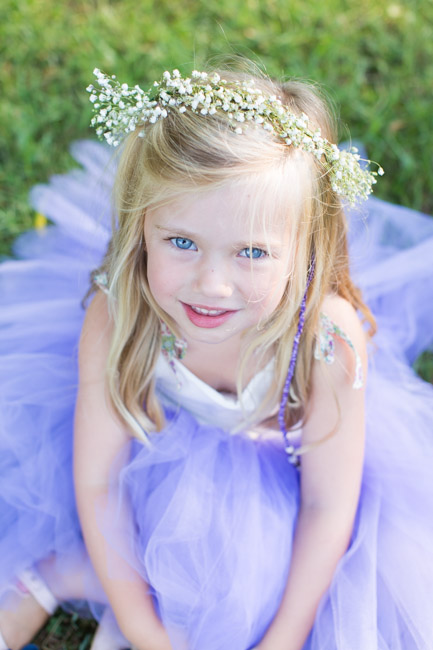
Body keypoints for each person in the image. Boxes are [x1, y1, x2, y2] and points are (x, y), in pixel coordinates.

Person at [1, 65, 433, 650]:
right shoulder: (118, 313)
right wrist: (142, 630)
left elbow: (329, 507)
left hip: (284, 481)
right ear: (141, 227)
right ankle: (64, 571)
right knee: (157, 556)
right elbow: (100, 483)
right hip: (154, 456)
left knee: (256, 583)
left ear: (304, 250)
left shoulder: (327, 341)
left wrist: (282, 641)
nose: (211, 284)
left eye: (252, 252)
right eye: (181, 242)